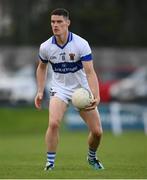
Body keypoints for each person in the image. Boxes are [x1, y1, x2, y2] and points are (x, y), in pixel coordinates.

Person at [34, 8, 104, 171]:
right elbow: (41, 68)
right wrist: (39, 90)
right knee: (53, 123)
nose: (55, 25)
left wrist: (96, 95)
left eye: (59, 22)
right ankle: (50, 163)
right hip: (60, 89)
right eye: (53, 22)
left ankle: (92, 157)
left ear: (67, 23)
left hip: (81, 90)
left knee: (97, 132)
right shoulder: (45, 47)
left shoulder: (81, 44)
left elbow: (90, 72)